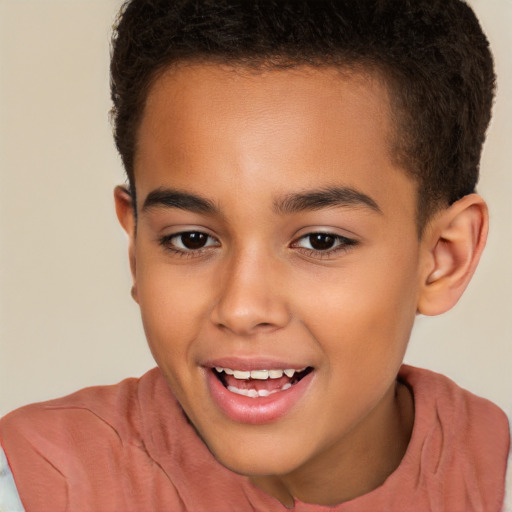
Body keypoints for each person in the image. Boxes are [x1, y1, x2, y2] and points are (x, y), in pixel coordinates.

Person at [0, 0, 510, 510]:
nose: (242, 308)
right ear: (136, 244)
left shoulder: (495, 482)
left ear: (445, 257)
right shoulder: (34, 484)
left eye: (321, 241)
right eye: (191, 239)